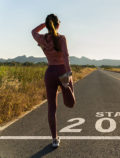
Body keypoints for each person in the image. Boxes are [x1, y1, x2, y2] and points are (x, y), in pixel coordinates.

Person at [31, 13, 75, 148]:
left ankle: (55, 139)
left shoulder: (43, 38)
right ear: (58, 24)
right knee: (70, 103)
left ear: (48, 25)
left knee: (51, 108)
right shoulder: (61, 38)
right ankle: (65, 86)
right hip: (62, 70)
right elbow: (66, 56)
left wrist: (45, 24)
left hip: (50, 73)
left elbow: (33, 31)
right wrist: (68, 73)